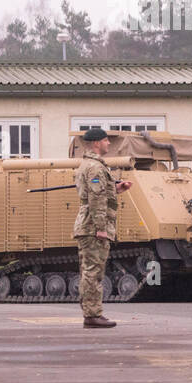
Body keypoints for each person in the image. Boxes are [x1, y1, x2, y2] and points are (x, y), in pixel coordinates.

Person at [74, 128, 132, 328]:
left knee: (91, 270)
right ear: (97, 143)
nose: (109, 144)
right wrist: (101, 228)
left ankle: (92, 313)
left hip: (88, 225)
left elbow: (98, 193)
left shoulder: (90, 165)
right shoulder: (95, 168)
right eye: (106, 141)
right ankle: (92, 315)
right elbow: (96, 199)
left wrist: (116, 189)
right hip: (93, 226)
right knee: (93, 271)